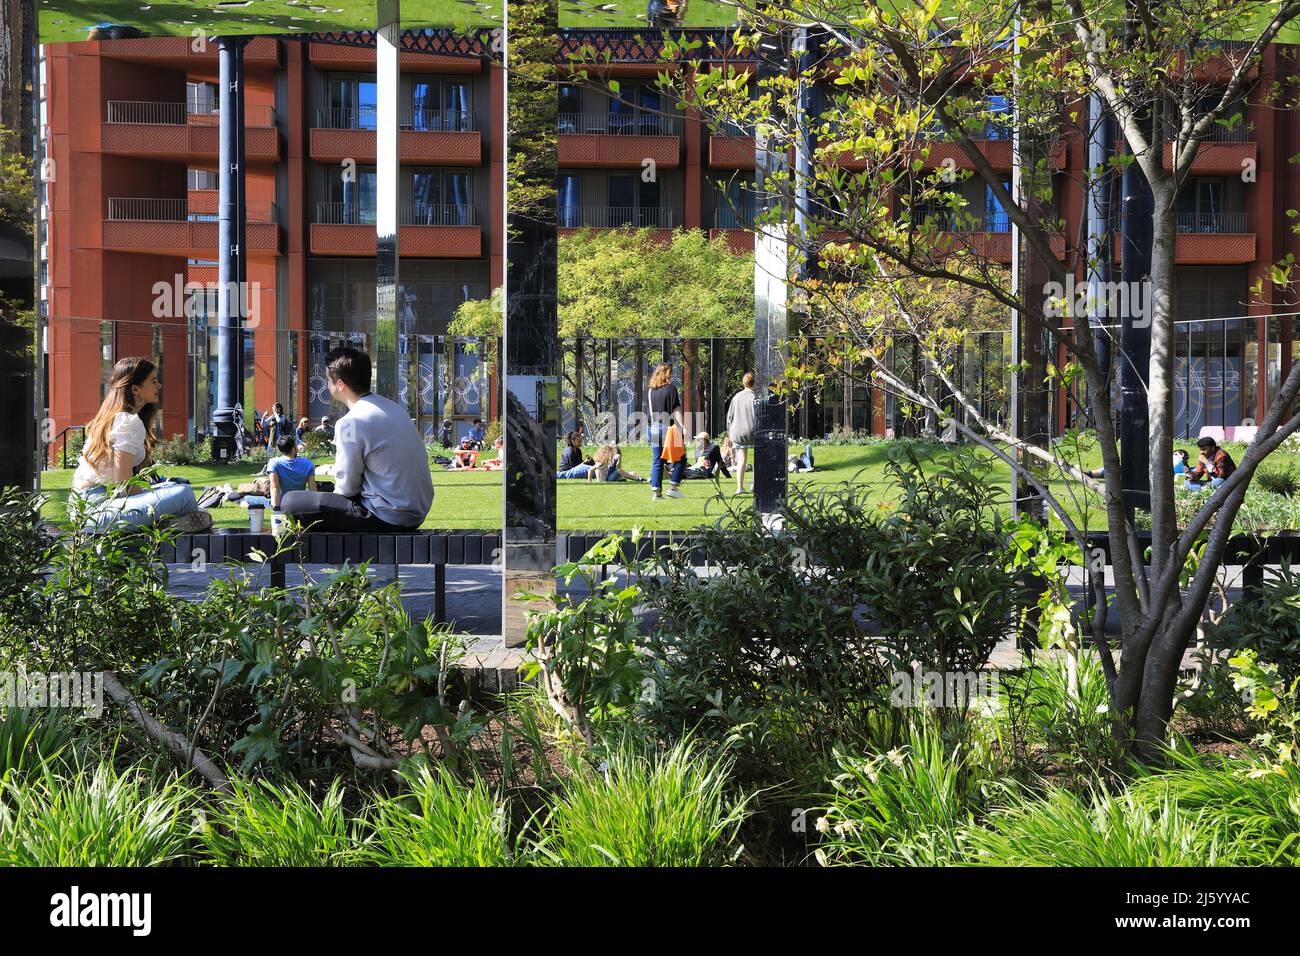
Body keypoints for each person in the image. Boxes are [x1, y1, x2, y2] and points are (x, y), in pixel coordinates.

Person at [280, 347, 434, 531]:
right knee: (322, 490)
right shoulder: (393, 408)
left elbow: (347, 488)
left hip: (386, 516)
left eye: (328, 381)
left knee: (290, 501)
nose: (328, 385)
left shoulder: (350, 423)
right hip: (415, 512)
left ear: (340, 384)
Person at [70, 356, 209, 533]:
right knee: (184, 494)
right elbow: (124, 486)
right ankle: (166, 523)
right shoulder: (127, 421)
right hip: (97, 512)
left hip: (88, 509)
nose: (159, 386)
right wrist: (157, 493)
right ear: (136, 389)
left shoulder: (117, 418)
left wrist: (160, 489)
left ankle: (166, 520)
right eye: (153, 381)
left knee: (174, 488)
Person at [647, 362, 687, 500]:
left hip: (654, 428)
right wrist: (682, 425)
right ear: (666, 374)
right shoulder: (671, 389)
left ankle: (657, 493)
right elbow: (676, 410)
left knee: (657, 460)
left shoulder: (651, 390)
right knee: (681, 458)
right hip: (668, 428)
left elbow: (652, 413)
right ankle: (673, 487)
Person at [726, 372, 758, 495]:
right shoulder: (755, 397)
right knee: (757, 459)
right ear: (754, 383)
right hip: (752, 431)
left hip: (738, 433)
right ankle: (755, 484)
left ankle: (740, 487)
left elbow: (729, 417)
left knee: (742, 459)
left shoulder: (736, 397)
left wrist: (729, 433)